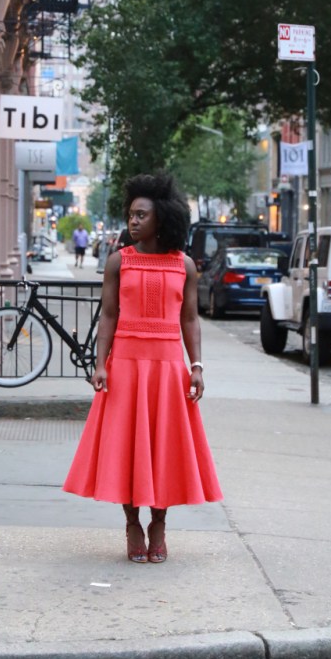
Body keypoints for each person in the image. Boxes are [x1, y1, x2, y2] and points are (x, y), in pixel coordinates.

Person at [63, 172, 222, 563]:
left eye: (141, 215)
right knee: (128, 446)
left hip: (167, 369)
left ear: (161, 217)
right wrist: (100, 364)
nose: (133, 221)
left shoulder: (184, 265)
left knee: (163, 446)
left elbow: (190, 320)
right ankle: (132, 523)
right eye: (131, 214)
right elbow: (108, 316)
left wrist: (196, 366)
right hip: (126, 367)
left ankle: (159, 524)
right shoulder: (119, 262)